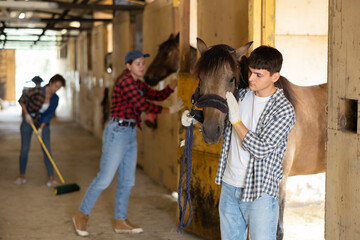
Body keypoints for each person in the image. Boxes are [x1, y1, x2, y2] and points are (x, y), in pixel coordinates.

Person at [182, 46, 295, 239]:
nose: (250, 79)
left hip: (260, 194)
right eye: (250, 72)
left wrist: (236, 120)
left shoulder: (284, 110)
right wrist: (196, 122)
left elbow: (261, 149)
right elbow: (227, 133)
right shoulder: (240, 96)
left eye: (259, 75)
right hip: (229, 187)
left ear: (275, 77)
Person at [72, 49, 183, 237]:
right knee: (105, 178)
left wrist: (173, 85)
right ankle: (81, 215)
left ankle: (120, 221)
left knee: (127, 180)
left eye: (143, 63)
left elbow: (155, 96)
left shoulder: (137, 83)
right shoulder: (125, 82)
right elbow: (142, 105)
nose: (142, 66)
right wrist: (168, 110)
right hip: (118, 132)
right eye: (138, 63)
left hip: (130, 132)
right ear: (128, 66)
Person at [14, 74, 66, 187]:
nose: (56, 89)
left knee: (47, 149)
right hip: (29, 120)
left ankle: (51, 178)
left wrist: (41, 128)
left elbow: (49, 115)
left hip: (42, 122)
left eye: (59, 88)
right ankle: (21, 176)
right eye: (56, 86)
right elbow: (22, 100)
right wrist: (26, 115)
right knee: (24, 149)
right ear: (50, 83)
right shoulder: (36, 91)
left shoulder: (55, 98)